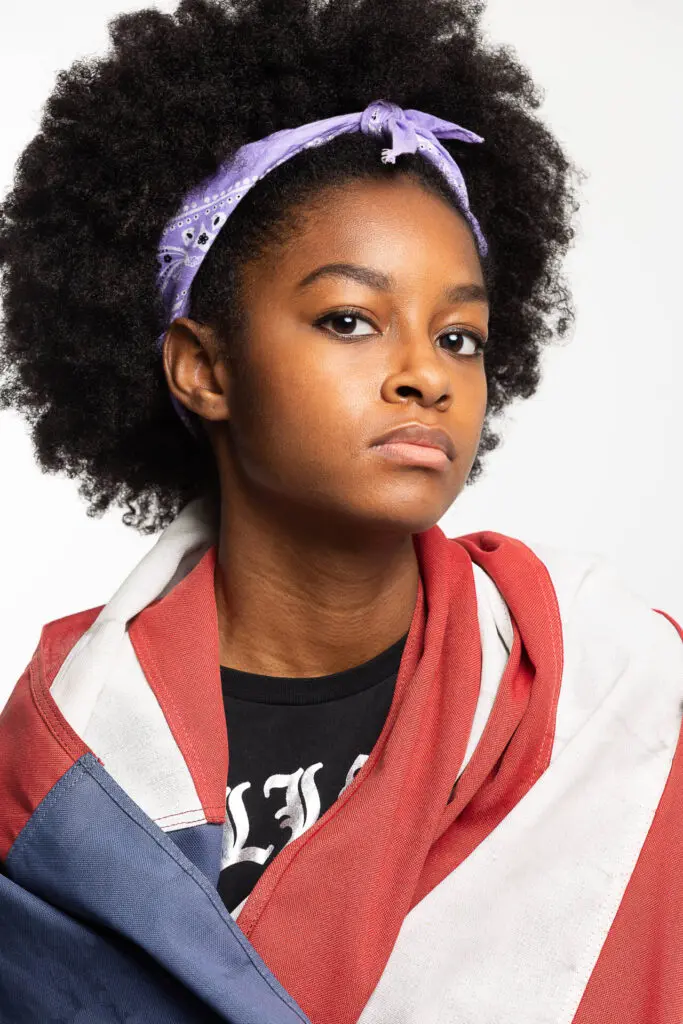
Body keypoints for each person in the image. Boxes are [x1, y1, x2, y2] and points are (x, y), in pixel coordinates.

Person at [0, 0, 681, 1021]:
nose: (423, 373)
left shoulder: (612, 693)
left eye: (459, 336)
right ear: (203, 368)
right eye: (350, 319)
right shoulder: (62, 765)